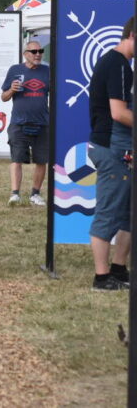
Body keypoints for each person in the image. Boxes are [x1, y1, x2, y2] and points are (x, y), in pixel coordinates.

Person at [87, 16, 134, 291]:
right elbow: (118, 113)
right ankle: (102, 277)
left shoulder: (120, 64)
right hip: (111, 148)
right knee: (108, 213)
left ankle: (118, 269)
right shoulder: (118, 65)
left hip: (121, 149)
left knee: (128, 213)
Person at [0, 41, 51, 206]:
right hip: (19, 122)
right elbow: (4, 97)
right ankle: (15, 194)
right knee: (17, 159)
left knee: (41, 160)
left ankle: (35, 194)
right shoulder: (15, 70)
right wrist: (12, 90)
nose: (38, 54)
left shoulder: (48, 71)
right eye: (34, 51)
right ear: (25, 54)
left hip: (42, 123)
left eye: (40, 51)